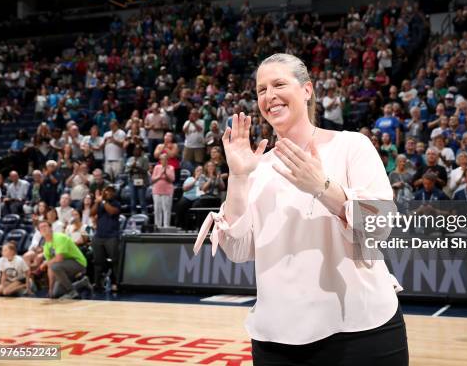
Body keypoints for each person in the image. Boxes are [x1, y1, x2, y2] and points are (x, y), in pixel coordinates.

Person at [193, 53, 408, 366]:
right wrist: (238, 176)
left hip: (362, 331)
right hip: (276, 339)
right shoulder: (255, 166)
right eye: (261, 90)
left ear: (307, 90)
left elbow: (382, 226)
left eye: (279, 84)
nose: (269, 96)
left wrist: (323, 187)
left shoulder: (352, 146)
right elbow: (239, 250)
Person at [37, 221, 92, 299]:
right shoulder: (46, 246)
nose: (43, 228)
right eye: (41, 228)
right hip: (64, 268)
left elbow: (59, 258)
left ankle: (72, 292)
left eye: (45, 226)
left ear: (51, 228)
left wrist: (45, 263)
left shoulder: (59, 238)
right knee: (55, 294)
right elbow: (50, 268)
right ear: (40, 232)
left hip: (78, 263)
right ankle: (83, 283)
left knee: (55, 266)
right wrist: (50, 289)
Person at [91, 185, 121, 292]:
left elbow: (112, 211)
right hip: (99, 236)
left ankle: (116, 283)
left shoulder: (116, 203)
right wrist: (97, 202)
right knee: (98, 262)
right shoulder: (100, 203)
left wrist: (103, 201)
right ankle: (98, 284)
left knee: (115, 261)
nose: (108, 193)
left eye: (110, 191)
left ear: (113, 193)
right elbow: (92, 213)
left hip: (111, 237)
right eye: (106, 191)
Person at [175, 165, 204, 230]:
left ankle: (196, 226)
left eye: (201, 170)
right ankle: (181, 225)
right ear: (194, 172)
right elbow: (184, 189)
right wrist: (195, 180)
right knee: (180, 205)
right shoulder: (190, 179)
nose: (199, 172)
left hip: (198, 198)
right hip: (187, 197)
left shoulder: (203, 180)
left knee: (197, 206)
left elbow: (203, 190)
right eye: (198, 170)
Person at [151, 153, 175, 227]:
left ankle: (166, 225)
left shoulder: (171, 168)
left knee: (166, 209)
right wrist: (160, 175)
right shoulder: (157, 167)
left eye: (165, 159)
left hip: (167, 191)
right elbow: (153, 179)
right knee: (157, 209)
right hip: (157, 191)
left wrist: (166, 174)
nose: (163, 161)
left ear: (167, 160)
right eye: (162, 159)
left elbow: (172, 180)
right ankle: (157, 226)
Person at [125, 145, 150, 214]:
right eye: (135, 150)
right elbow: (126, 171)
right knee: (133, 201)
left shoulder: (145, 159)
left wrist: (137, 167)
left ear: (141, 151)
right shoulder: (130, 159)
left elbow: (146, 170)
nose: (136, 151)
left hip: (142, 181)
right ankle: (133, 216)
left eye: (138, 150)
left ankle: (144, 216)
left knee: (142, 200)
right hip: (132, 181)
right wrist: (131, 167)